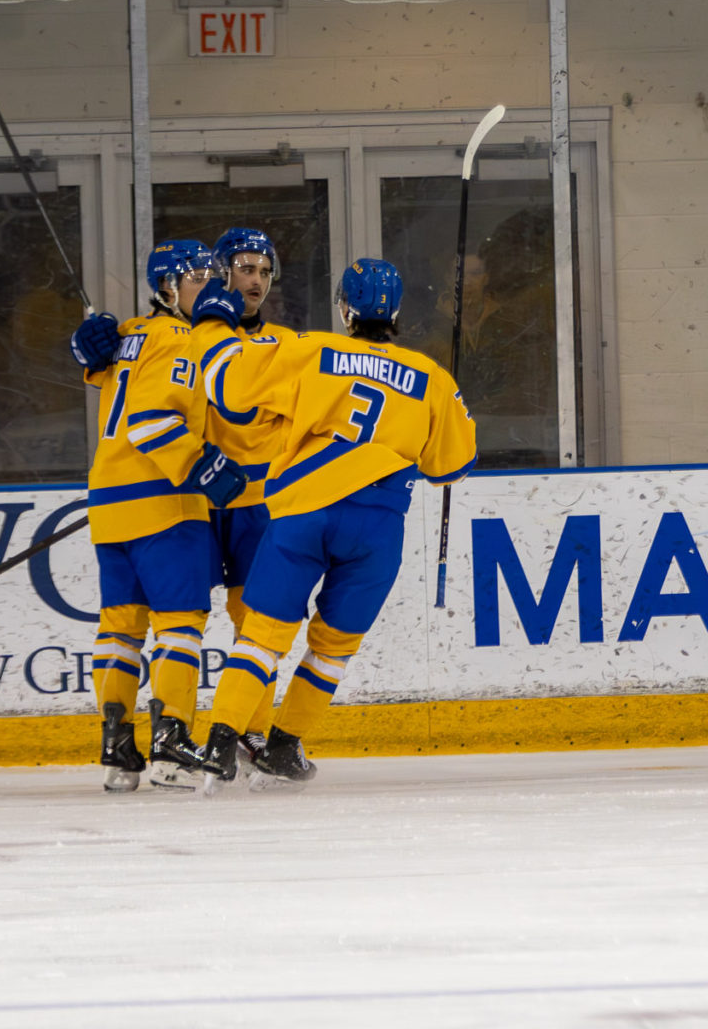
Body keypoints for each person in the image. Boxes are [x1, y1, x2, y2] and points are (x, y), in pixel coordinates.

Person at [193, 259, 479, 787]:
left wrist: (215, 330)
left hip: (304, 512)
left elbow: (225, 390)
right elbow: (452, 468)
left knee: (262, 637)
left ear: (344, 309)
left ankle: (218, 744)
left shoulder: (310, 350)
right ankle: (284, 746)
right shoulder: (431, 376)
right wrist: (441, 396)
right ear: (394, 311)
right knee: (333, 646)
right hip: (376, 528)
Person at [69, 241, 248, 790]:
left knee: (120, 628)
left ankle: (117, 748)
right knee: (180, 624)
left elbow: (106, 370)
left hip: (109, 501)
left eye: (214, 276)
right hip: (164, 503)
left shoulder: (132, 333)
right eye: (197, 278)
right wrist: (202, 467)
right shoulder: (181, 339)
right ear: (167, 288)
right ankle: (171, 741)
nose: (211, 287)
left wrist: (86, 345)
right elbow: (150, 421)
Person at [204, 226, 298, 633]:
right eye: (246, 269)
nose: (256, 280)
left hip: (259, 501)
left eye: (264, 270)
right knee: (179, 615)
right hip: (196, 499)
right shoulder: (193, 338)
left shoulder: (289, 344)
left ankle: (253, 699)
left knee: (254, 618)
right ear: (222, 273)